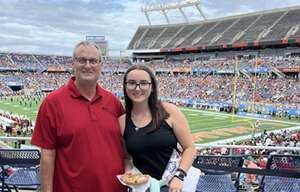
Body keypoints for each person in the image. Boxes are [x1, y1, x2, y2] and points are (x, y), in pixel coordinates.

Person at [31, 41, 126, 192]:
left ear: (100, 65)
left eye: (93, 61)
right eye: (82, 60)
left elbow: (125, 145)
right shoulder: (52, 103)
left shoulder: (113, 102)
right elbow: (47, 155)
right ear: (73, 63)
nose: (88, 65)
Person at [119, 64, 196, 191]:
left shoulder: (169, 111)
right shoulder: (122, 122)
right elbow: (127, 158)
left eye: (143, 83)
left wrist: (179, 176)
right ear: (125, 87)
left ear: (152, 87)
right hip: (143, 187)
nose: (137, 88)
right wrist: (129, 173)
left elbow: (190, 148)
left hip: (173, 185)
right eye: (132, 83)